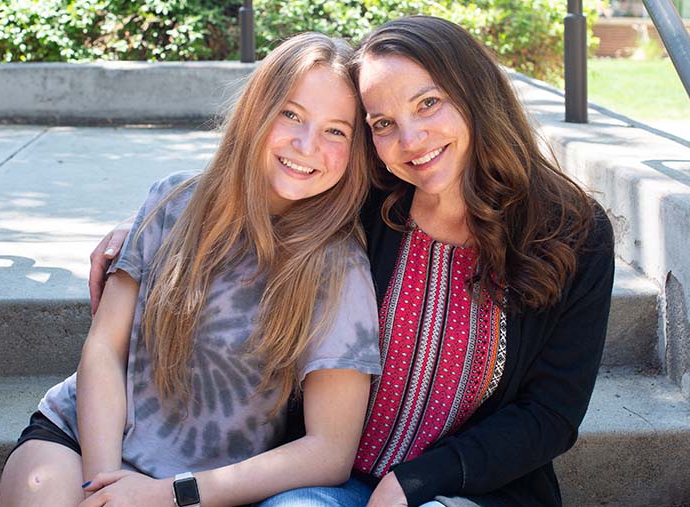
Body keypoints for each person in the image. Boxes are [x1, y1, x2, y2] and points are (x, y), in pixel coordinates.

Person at [90, 16, 616, 507]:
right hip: (333, 483)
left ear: (477, 94)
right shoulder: (369, 203)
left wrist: (413, 483)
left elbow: (550, 414)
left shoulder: (573, 233)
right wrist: (136, 232)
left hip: (472, 489)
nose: (410, 140)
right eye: (383, 123)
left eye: (429, 103)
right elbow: (258, 200)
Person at [0, 32, 383, 507]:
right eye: (291, 114)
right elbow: (104, 348)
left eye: (335, 131)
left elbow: (329, 452)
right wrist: (107, 485)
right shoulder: (173, 201)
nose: (306, 144)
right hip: (82, 440)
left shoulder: (337, 266)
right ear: (256, 111)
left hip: (199, 490)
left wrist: (164, 495)